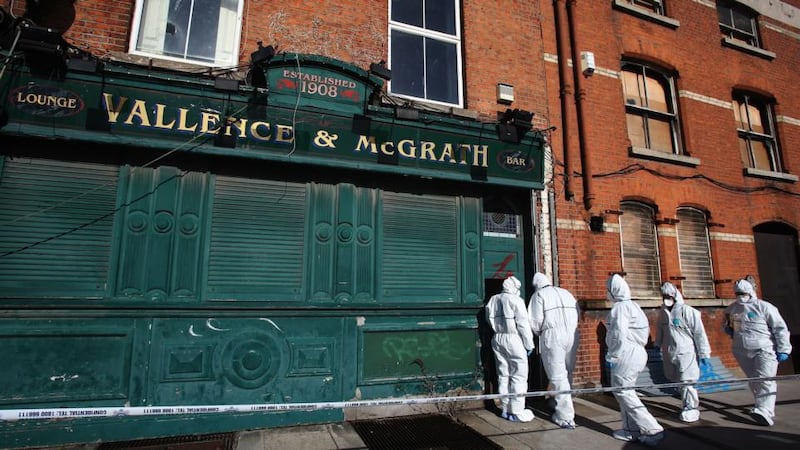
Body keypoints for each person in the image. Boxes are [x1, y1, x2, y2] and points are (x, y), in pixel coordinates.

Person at [605, 273, 665, 447]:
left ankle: (653, 429)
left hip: (626, 353)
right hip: (637, 352)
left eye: (607, 290)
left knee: (624, 392)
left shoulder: (620, 309)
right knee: (623, 392)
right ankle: (631, 429)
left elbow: (618, 334)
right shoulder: (634, 306)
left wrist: (613, 354)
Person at [724, 278, 792, 426]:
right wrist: (728, 329)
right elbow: (729, 326)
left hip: (764, 349)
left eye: (742, 293)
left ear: (750, 292)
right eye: (737, 293)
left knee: (765, 380)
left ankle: (765, 411)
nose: (740, 296)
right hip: (742, 350)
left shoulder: (764, 307)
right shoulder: (732, 309)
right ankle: (760, 407)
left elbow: (780, 328)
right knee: (754, 381)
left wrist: (784, 348)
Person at [528, 272, 580, 429]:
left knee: (557, 374)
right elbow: (578, 313)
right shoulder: (566, 293)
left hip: (553, 335)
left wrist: (539, 334)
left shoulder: (539, 295)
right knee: (567, 371)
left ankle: (565, 416)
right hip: (572, 333)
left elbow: (535, 321)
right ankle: (558, 401)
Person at [655, 281, 711, 423]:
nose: (666, 298)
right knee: (676, 379)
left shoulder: (688, 311)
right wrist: (657, 344)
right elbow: (660, 329)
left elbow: (699, 333)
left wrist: (704, 353)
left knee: (687, 381)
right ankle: (685, 403)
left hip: (686, 352)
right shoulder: (663, 312)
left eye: (668, 296)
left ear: (675, 295)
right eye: (664, 296)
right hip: (670, 351)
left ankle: (691, 408)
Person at [485, 275, 535, 422]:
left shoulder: (493, 299)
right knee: (519, 375)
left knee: (503, 373)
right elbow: (523, 324)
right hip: (514, 338)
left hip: (498, 337)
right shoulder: (516, 300)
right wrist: (529, 344)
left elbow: (489, 319)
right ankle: (517, 410)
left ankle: (505, 408)